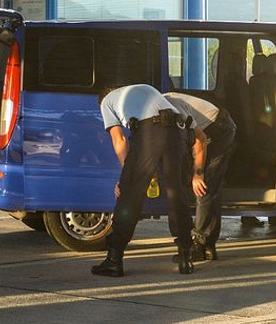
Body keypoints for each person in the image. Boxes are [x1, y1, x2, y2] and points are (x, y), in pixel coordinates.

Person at [91, 84, 194, 277]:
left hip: (150, 132)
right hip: (177, 131)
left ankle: (114, 260)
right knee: (176, 193)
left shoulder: (106, 102)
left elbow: (119, 139)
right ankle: (185, 257)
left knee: (130, 194)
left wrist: (126, 175)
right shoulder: (143, 88)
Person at [163, 92, 237, 261]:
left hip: (218, 130)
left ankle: (201, 244)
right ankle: (208, 246)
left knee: (204, 185)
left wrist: (198, 173)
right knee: (203, 186)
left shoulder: (171, 107)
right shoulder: (160, 106)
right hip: (209, 128)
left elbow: (200, 140)